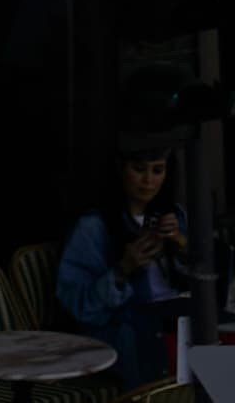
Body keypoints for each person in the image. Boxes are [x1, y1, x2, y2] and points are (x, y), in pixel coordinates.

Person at [55, 151, 189, 381]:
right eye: (139, 170)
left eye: (157, 171)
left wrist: (180, 243)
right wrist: (123, 269)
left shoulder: (173, 216)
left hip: (176, 322)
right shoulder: (94, 227)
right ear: (121, 169)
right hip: (129, 334)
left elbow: (200, 277)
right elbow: (80, 306)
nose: (148, 181)